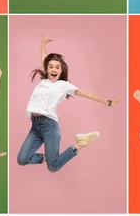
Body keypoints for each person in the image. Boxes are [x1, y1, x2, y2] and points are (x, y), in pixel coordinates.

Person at [16, 35, 120, 172]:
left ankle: (79, 144)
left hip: (49, 126)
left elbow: (87, 94)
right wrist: (42, 44)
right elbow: (44, 58)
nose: (54, 69)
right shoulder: (45, 81)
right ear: (47, 69)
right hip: (35, 126)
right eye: (51, 67)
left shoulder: (64, 85)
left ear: (61, 71)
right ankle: (45, 157)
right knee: (22, 159)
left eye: (57, 67)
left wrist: (108, 102)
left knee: (53, 167)